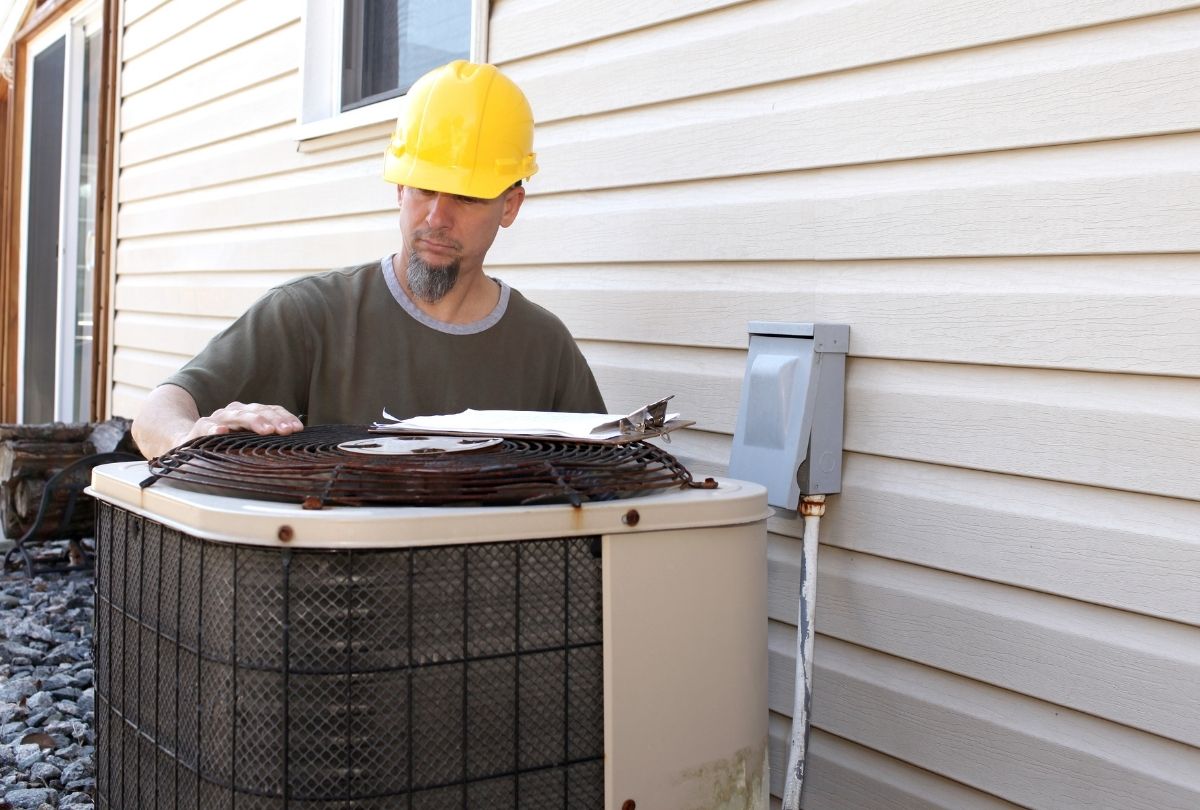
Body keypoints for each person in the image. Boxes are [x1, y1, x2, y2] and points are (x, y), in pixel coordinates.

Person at [131, 60, 605, 459]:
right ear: (399, 188)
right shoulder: (310, 315)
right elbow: (155, 415)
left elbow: (607, 475)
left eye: (466, 196)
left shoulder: (544, 348)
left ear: (510, 206)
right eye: (423, 188)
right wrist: (190, 437)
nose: (437, 217)